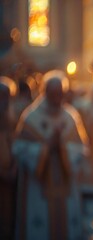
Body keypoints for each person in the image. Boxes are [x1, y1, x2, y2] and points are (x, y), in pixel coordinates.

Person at [12, 70, 88, 240]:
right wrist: (45, 148)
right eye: (53, 94)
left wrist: (61, 148)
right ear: (44, 92)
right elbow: (19, 148)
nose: (56, 98)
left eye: (60, 94)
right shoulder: (31, 117)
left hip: (65, 185)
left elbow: (81, 148)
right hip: (38, 187)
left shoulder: (70, 117)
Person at [0, 76, 17, 240]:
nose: (4, 101)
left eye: (7, 97)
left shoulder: (11, 119)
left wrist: (14, 168)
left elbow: (16, 147)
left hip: (10, 182)